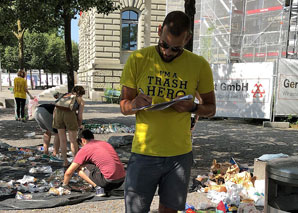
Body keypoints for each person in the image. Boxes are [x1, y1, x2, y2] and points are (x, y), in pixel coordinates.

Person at [120, 11, 216, 213]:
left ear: (187, 39)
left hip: (179, 156)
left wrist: (193, 107)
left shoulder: (199, 65)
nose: (168, 52)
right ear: (158, 32)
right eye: (164, 44)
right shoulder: (138, 59)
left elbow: (211, 108)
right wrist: (135, 103)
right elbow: (123, 106)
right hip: (144, 153)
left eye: (176, 48)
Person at [62, 129, 125, 197]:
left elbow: (69, 172)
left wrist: (64, 185)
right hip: (121, 180)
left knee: (79, 168)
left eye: (81, 144)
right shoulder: (105, 143)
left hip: (108, 182)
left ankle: (98, 188)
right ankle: (102, 184)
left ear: (83, 140)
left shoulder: (85, 149)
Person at [53, 86, 85, 167]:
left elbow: (55, 109)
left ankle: (65, 161)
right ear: (81, 93)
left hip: (58, 115)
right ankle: (76, 162)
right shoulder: (80, 100)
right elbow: (80, 116)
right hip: (70, 116)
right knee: (72, 141)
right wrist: (79, 124)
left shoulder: (65, 95)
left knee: (62, 140)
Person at [34, 92, 62, 158]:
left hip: (37, 111)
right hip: (45, 112)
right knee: (58, 133)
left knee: (47, 132)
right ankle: (55, 154)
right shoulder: (64, 110)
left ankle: (45, 152)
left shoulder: (59, 105)